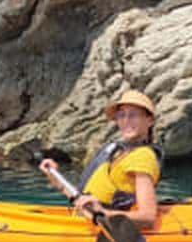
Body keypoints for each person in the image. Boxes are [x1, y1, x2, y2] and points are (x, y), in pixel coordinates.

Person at [38, 90, 161, 226]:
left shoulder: (143, 156)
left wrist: (103, 212)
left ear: (149, 120)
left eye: (133, 115)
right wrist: (55, 177)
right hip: (83, 221)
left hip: (98, 227)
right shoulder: (119, 153)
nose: (126, 121)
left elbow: (148, 216)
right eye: (121, 115)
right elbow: (81, 200)